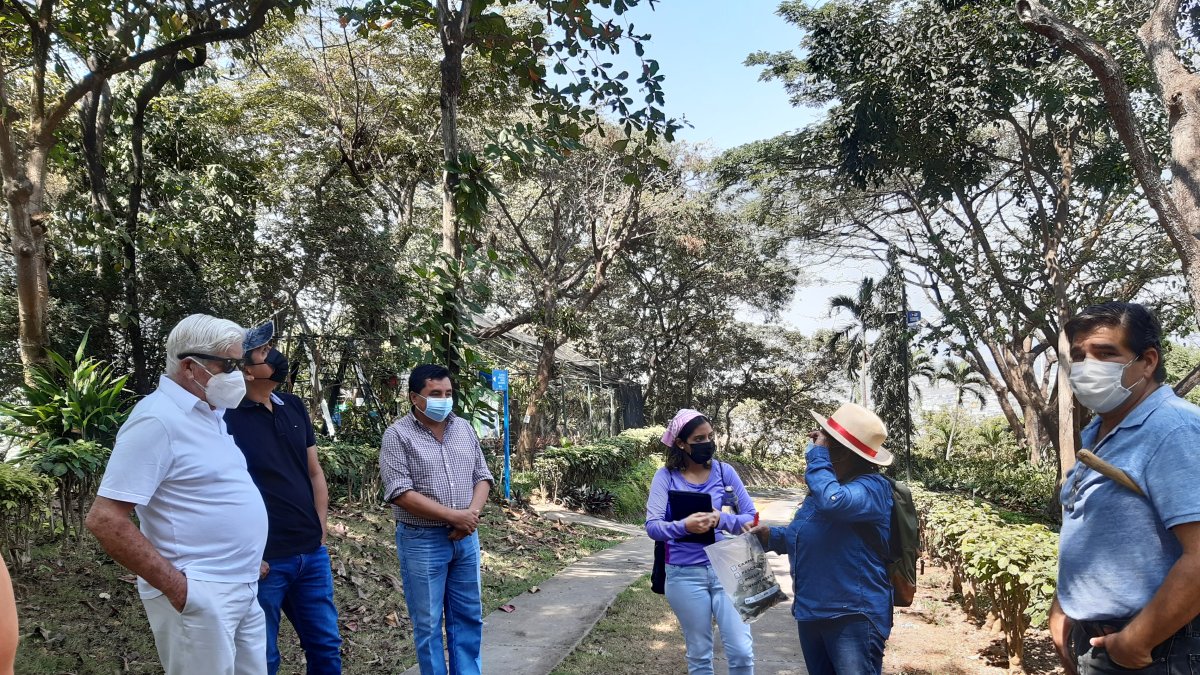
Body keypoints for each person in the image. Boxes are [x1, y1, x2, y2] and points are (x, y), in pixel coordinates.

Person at [86, 314, 269, 675]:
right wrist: (182, 591)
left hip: (240, 585)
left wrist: (247, 559)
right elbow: (105, 519)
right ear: (190, 367)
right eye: (229, 364)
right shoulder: (157, 420)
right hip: (200, 592)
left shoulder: (210, 415)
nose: (242, 374)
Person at [1050, 302, 1200, 674]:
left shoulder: (1174, 430)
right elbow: (1098, 532)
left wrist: (1138, 640)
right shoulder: (1100, 432)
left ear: (1147, 361)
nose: (1087, 368)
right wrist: (1067, 604)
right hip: (1102, 641)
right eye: (1079, 356)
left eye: (1105, 353)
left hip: (1159, 650)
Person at [223, 321, 342, 674]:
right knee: (262, 656)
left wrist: (320, 529)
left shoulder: (292, 405)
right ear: (246, 370)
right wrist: (245, 553)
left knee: (326, 647)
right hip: (264, 561)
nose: (273, 355)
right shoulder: (224, 418)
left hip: (310, 553)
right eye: (262, 352)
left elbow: (314, 471)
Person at [751, 402, 893, 675]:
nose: (817, 446)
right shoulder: (824, 489)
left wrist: (818, 457)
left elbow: (834, 504)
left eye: (828, 443)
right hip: (811, 612)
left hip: (853, 615)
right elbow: (808, 533)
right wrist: (772, 537)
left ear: (845, 453)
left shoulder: (873, 488)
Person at [379, 364, 494, 675]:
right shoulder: (397, 435)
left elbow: (482, 477)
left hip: (466, 539)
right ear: (415, 398)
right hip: (423, 540)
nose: (444, 399)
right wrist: (454, 517)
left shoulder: (465, 429)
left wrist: (470, 516)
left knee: (468, 616)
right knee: (429, 624)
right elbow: (400, 492)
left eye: (448, 393)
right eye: (435, 394)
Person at [645, 408, 758, 675]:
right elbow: (653, 526)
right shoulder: (666, 478)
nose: (708, 443)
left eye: (710, 436)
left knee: (742, 651)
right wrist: (684, 525)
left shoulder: (724, 472)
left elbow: (751, 519)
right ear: (681, 444)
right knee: (699, 655)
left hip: (729, 569)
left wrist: (721, 520)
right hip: (685, 575)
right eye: (699, 439)